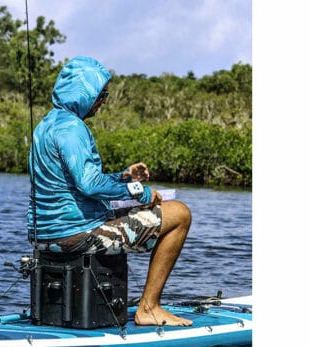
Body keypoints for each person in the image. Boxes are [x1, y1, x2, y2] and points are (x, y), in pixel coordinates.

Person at [27, 56, 192, 327]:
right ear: (83, 92)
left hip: (45, 235)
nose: (102, 101)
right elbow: (89, 185)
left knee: (150, 209)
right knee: (180, 214)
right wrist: (138, 190)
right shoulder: (73, 129)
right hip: (77, 235)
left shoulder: (46, 125)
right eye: (100, 94)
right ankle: (149, 308)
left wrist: (122, 177)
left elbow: (77, 181)